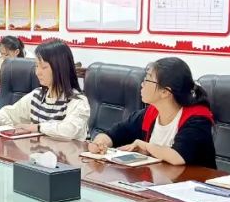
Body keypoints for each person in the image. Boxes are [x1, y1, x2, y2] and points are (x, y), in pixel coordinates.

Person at [88, 57, 216, 167]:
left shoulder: (197, 118)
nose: (142, 84)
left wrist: (146, 146)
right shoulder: (150, 114)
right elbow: (114, 134)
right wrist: (100, 142)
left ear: (165, 92)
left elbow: (178, 157)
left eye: (147, 80)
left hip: (194, 184)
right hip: (159, 182)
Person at [0, 39, 90, 140]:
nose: (38, 72)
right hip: (41, 153)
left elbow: (69, 130)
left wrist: (37, 127)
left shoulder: (78, 101)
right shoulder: (37, 95)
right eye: (36, 66)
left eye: (44, 67)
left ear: (60, 68)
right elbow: (11, 113)